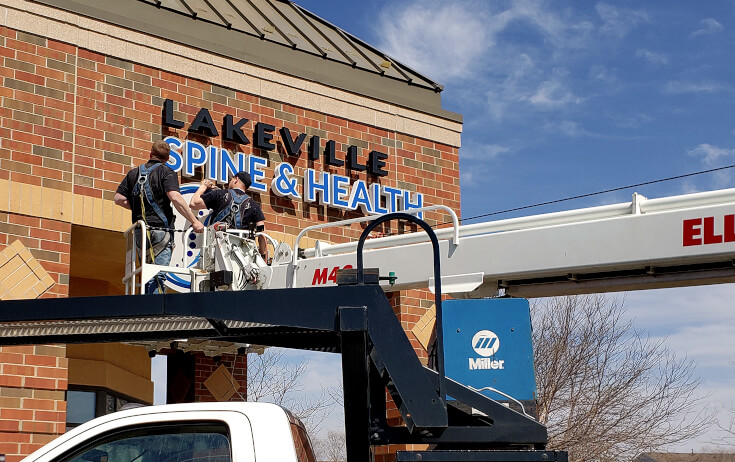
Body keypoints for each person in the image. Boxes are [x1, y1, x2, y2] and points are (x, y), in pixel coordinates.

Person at [114, 140, 204, 294]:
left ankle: (147, 305)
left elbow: (119, 199)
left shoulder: (134, 173)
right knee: (158, 274)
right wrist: (194, 221)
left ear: (150, 154)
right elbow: (175, 197)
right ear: (167, 159)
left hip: (140, 231)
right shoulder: (167, 172)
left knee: (147, 270)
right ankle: (153, 309)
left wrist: (135, 207)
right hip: (160, 230)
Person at [189, 171, 267, 259]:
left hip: (216, 249)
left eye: (231, 179)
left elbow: (193, 203)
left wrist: (204, 186)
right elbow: (262, 231)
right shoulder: (254, 205)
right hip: (242, 253)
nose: (230, 181)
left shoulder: (220, 194)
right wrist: (262, 254)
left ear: (236, 179)